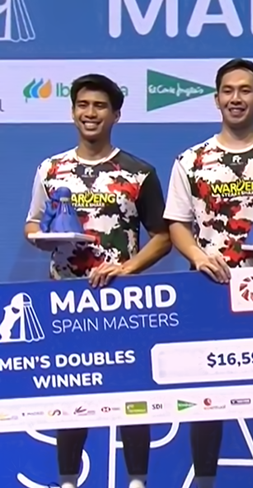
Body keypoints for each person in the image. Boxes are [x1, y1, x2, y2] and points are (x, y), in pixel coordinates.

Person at [163, 58, 253, 488]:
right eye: (228, 90)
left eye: (245, 90)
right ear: (216, 99)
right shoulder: (191, 160)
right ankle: (205, 481)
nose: (235, 98)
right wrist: (198, 256)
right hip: (209, 292)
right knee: (207, 397)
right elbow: (177, 223)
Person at [24, 74, 172, 488]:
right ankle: (68, 481)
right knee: (73, 395)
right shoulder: (51, 169)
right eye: (83, 105)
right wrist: (41, 239)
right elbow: (32, 224)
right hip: (67, 304)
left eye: (100, 106)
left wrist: (126, 269)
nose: (90, 113)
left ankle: (137, 481)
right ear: (73, 112)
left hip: (123, 304)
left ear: (116, 115)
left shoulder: (138, 172)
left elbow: (163, 237)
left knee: (133, 395)